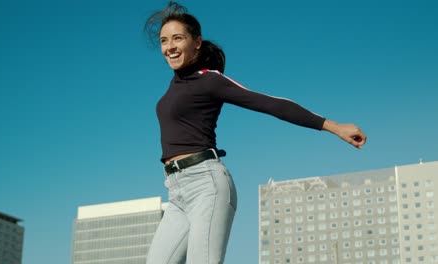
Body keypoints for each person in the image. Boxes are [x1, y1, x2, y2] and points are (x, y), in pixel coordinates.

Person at [143, 2, 367, 264]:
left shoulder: (210, 80)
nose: (169, 47)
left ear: (197, 42)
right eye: (163, 41)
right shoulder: (175, 85)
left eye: (177, 38)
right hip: (176, 191)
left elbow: (269, 103)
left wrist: (333, 126)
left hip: (206, 186)